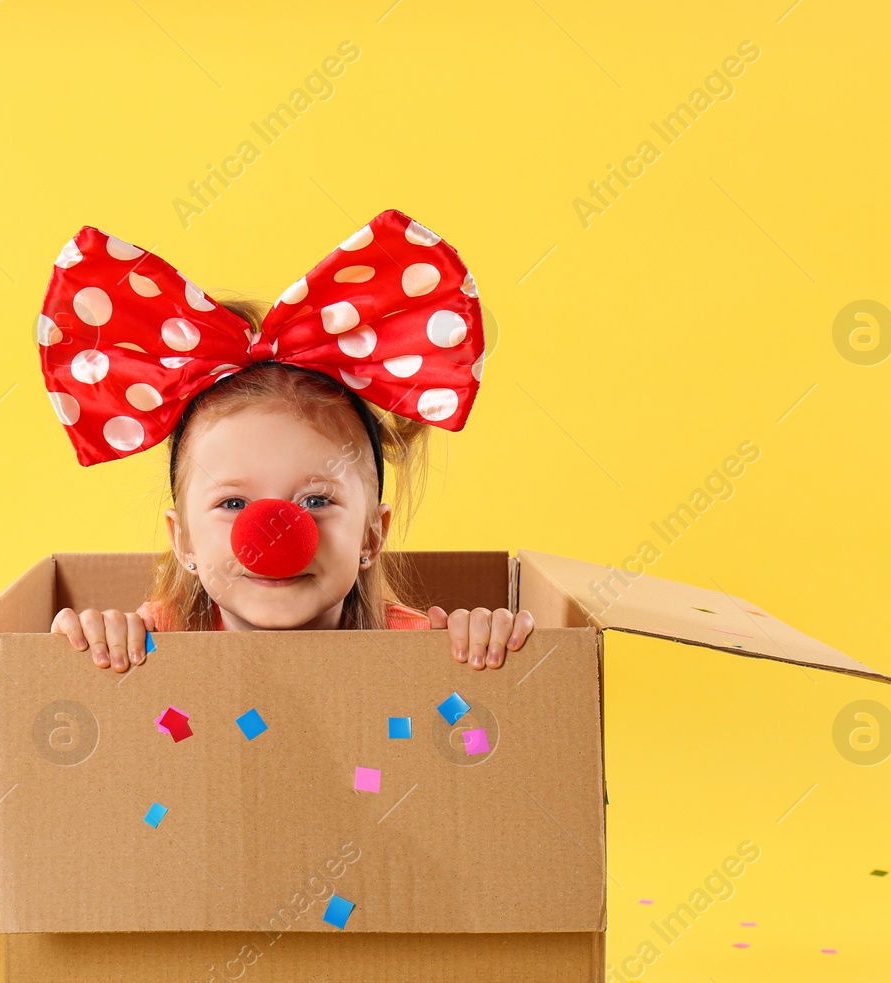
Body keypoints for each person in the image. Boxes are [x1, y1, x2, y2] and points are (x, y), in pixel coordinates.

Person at [37, 209, 534, 672]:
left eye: (316, 499)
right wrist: (90, 639)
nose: (274, 533)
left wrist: (488, 641)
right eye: (233, 502)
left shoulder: (418, 649)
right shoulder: (155, 642)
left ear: (371, 534)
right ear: (182, 538)